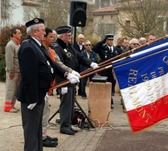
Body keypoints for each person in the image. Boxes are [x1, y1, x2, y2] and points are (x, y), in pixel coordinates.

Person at [17, 18, 79, 151]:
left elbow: (52, 64)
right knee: (31, 131)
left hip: (39, 94)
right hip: (31, 97)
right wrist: (32, 98)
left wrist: (67, 74)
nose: (45, 33)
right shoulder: (28, 46)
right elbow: (29, 76)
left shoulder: (38, 45)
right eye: (43, 30)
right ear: (34, 32)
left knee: (37, 129)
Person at [54, 25, 98, 135]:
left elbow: (80, 57)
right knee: (66, 103)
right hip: (64, 80)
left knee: (70, 102)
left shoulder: (69, 46)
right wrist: (68, 74)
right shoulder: (57, 47)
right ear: (62, 36)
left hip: (72, 79)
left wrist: (90, 63)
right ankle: (64, 126)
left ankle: (68, 124)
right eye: (68, 35)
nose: (70, 37)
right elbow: (58, 64)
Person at [92, 34, 123, 109]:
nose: (110, 41)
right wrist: (102, 42)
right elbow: (94, 49)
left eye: (111, 40)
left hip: (112, 72)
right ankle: (105, 101)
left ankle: (110, 100)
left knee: (111, 86)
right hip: (104, 71)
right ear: (106, 41)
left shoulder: (117, 50)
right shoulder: (103, 48)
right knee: (104, 87)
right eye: (109, 40)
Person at [4, 27, 22, 112]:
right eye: (19, 33)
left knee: (15, 89)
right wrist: (11, 70)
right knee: (11, 89)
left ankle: (12, 105)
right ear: (14, 34)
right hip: (13, 71)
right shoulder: (10, 45)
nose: (21, 34)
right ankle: (7, 107)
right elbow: (9, 59)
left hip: (18, 71)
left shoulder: (17, 44)